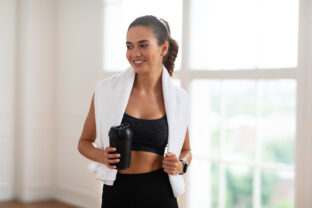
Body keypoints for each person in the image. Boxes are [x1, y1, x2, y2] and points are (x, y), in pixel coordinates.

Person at [78, 15, 192, 208]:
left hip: (161, 192)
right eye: (129, 46)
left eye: (143, 45)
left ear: (164, 48)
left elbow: (186, 150)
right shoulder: (106, 91)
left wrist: (181, 165)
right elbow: (84, 143)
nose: (134, 53)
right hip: (118, 192)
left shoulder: (178, 99)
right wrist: (102, 156)